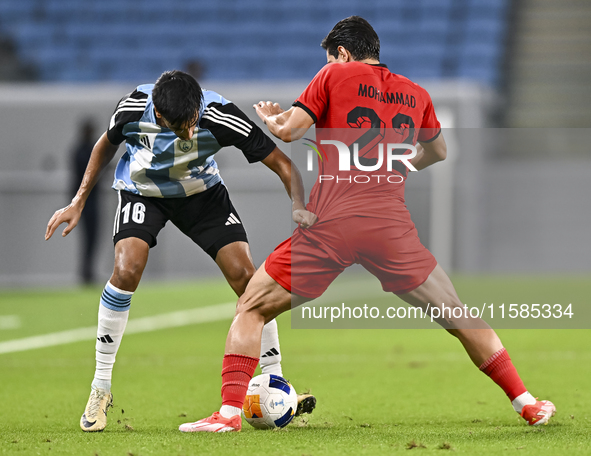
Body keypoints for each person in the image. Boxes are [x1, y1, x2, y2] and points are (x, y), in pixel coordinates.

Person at [180, 16, 555, 433]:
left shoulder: (333, 75)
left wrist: (270, 118)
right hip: (389, 227)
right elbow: (440, 151)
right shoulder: (417, 93)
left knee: (250, 307)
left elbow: (290, 131)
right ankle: (527, 402)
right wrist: (393, 166)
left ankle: (230, 413)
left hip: (331, 225)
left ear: (341, 53)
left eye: (330, 56)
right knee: (455, 312)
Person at [45, 70, 317, 432]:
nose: (190, 132)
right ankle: (101, 388)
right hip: (142, 192)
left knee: (249, 282)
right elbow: (104, 146)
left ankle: (276, 383)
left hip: (201, 196)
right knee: (127, 270)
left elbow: (282, 163)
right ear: (158, 115)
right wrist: (78, 201)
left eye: (193, 123)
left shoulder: (220, 114)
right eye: (180, 127)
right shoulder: (131, 109)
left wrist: (298, 203)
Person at [70, 119, 101, 284]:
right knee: (88, 237)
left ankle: (88, 271)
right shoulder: (83, 151)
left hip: (93, 199)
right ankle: (86, 272)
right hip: (85, 202)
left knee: (93, 237)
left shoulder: (87, 149)